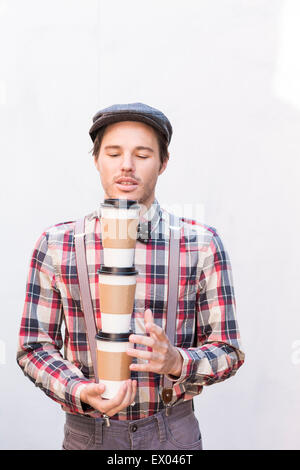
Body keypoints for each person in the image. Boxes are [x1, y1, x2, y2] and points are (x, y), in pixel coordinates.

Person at [17, 102, 245, 450]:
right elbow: (33, 348)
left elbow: (229, 350)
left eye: (142, 154)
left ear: (163, 162)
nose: (126, 165)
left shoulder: (201, 244)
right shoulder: (57, 244)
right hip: (87, 435)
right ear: (97, 160)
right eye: (113, 153)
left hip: (172, 434)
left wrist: (176, 361)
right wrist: (79, 390)